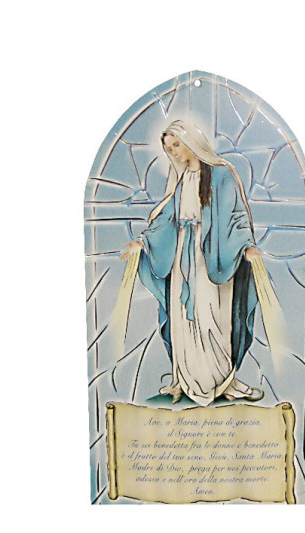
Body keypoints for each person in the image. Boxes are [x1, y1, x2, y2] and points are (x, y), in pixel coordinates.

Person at [121, 120, 264, 406]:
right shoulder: (182, 178)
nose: (173, 151)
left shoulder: (221, 173)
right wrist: (143, 242)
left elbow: (236, 214)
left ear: (191, 140)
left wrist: (246, 246)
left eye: (176, 144)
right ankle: (185, 379)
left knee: (212, 317)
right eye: (168, 148)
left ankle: (221, 380)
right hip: (181, 258)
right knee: (183, 318)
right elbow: (168, 218)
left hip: (213, 257)